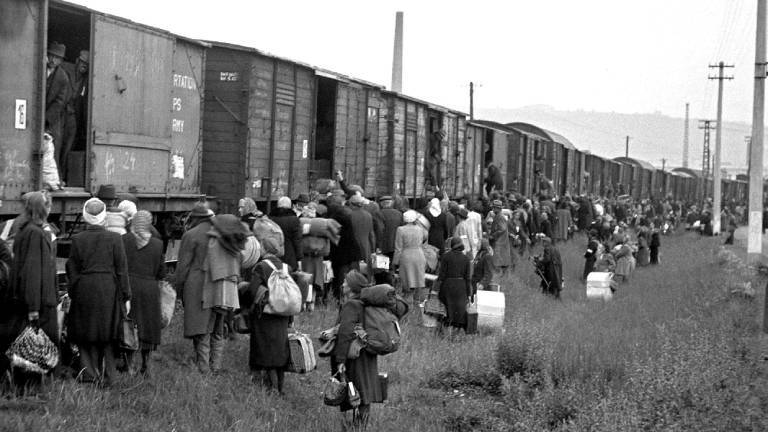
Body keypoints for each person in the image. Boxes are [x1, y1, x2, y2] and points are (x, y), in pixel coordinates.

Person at [66, 198, 131, 385]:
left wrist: (75, 288)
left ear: (86, 216)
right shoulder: (115, 239)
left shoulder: (78, 240)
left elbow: (72, 268)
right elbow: (121, 269)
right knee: (109, 334)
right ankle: (110, 376)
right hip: (109, 289)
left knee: (86, 333)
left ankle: (89, 374)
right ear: (104, 217)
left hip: (85, 288)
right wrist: (126, 295)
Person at [1, 192, 59, 390]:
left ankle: (22, 386)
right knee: (36, 345)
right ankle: (29, 388)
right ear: (43, 209)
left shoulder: (26, 230)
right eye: (48, 206)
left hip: (30, 299)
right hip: (39, 302)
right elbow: (32, 272)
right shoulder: (35, 233)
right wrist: (34, 306)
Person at [333, 270, 383, 431]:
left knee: (353, 391)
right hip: (368, 353)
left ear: (353, 287)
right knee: (365, 392)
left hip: (354, 356)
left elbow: (345, 333)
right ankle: (361, 426)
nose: (342, 284)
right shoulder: (366, 303)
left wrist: (340, 360)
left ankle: (355, 427)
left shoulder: (351, 304)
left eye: (346, 282)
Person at [175, 202, 221, 373]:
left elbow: (182, 267)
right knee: (216, 325)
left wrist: (179, 289)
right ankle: (215, 365)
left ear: (195, 218)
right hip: (219, 283)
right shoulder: (221, 233)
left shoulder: (191, 235)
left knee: (199, 326)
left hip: (197, 283)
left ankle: (203, 366)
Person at [122, 210, 166, 376]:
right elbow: (161, 272)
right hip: (149, 289)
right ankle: (146, 364)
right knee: (148, 326)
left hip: (130, 286)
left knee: (129, 324)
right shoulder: (157, 244)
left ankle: (129, 363)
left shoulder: (124, 240)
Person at [61, 49, 89, 181]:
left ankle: (63, 175)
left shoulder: (86, 79)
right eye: (83, 62)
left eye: (87, 64)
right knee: (58, 143)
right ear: (77, 61)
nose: (84, 66)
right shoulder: (65, 68)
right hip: (60, 112)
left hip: (72, 115)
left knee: (69, 146)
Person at [393, 210, 427, 307]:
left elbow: (398, 248)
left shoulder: (400, 229)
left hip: (406, 256)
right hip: (419, 255)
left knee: (407, 282)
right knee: (418, 280)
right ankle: (417, 304)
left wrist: (395, 262)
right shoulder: (420, 229)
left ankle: (408, 306)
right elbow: (424, 238)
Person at [45, 42, 71, 169]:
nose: (52, 60)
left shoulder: (63, 78)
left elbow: (59, 103)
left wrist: (45, 120)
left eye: (57, 58)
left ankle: (56, 179)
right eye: (51, 55)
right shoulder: (39, 67)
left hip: (52, 117)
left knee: (55, 144)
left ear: (61, 61)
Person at [436, 237, 472, 331]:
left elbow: (442, 274)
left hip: (447, 285)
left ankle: (445, 330)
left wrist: (437, 287)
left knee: (447, 308)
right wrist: (469, 293)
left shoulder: (446, 256)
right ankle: (455, 332)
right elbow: (468, 278)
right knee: (459, 310)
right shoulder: (466, 259)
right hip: (461, 286)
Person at [270, 197, 302, 272]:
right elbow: (297, 240)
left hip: (274, 255)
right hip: (289, 256)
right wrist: (299, 258)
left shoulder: (270, 218)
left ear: (278, 206)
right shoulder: (294, 220)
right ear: (290, 206)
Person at [347, 195, 375, 278]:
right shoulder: (368, 215)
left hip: (352, 246)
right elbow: (371, 234)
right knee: (366, 271)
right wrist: (373, 249)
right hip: (366, 246)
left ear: (352, 204)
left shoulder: (349, 215)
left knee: (354, 271)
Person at [489, 200, 512, 275]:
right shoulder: (498, 216)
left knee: (499, 261)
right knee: (500, 261)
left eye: (494, 208)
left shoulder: (500, 217)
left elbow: (502, 229)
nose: (493, 209)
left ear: (498, 208)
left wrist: (493, 235)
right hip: (500, 242)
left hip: (500, 242)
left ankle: (501, 277)